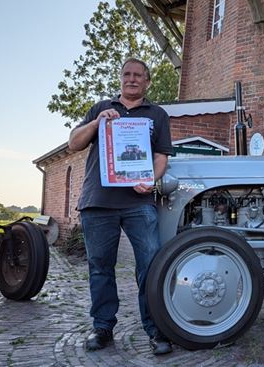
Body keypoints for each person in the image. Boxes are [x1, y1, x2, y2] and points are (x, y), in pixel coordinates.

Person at [68, 57, 174, 355]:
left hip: (139, 201)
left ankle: (156, 329)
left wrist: (150, 179)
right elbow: (73, 143)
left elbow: (162, 156)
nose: (132, 79)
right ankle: (102, 328)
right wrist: (96, 122)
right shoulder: (101, 108)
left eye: (138, 75)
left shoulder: (157, 114)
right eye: (126, 74)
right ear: (120, 78)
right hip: (98, 201)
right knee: (100, 267)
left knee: (150, 266)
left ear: (147, 81)